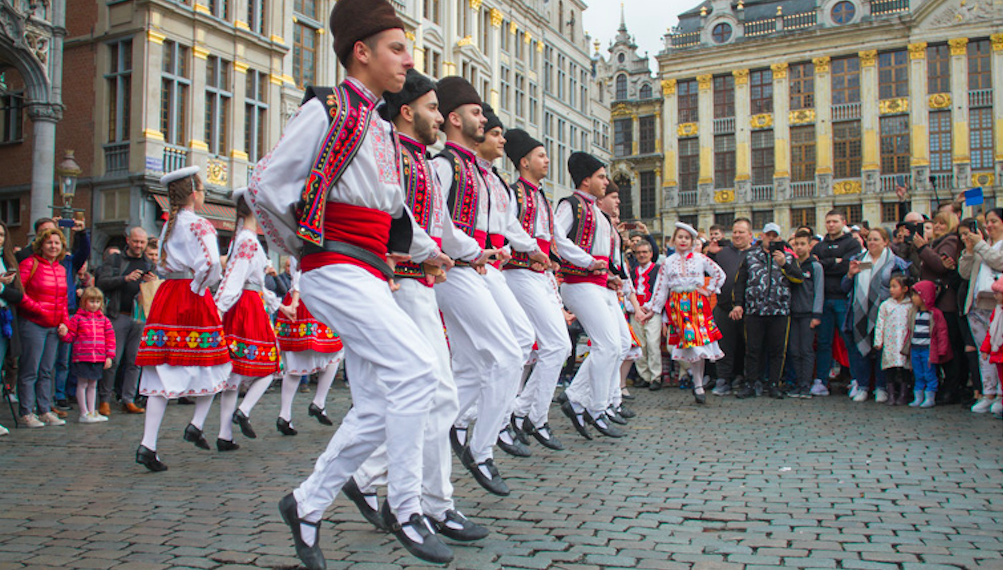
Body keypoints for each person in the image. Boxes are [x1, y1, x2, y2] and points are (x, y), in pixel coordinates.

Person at [248, 0, 455, 564]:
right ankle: (407, 508)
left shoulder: (381, 126)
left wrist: (431, 252)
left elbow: (391, 215)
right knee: (417, 371)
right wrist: (306, 243)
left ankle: (308, 503)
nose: (407, 60)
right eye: (397, 48)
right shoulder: (328, 108)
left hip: (368, 268)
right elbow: (265, 186)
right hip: (336, 267)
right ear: (360, 52)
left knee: (376, 404)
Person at [347, 69, 489, 542]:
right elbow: (399, 221)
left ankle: (376, 481)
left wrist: (475, 252)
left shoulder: (422, 162)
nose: (437, 117)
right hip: (402, 284)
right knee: (434, 393)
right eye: (432, 108)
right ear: (407, 112)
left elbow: (442, 227)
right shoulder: (396, 158)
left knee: (417, 393)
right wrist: (435, 252)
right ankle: (430, 503)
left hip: (418, 285)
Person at [431, 77, 525, 495]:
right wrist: (477, 250)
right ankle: (480, 448)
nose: (483, 119)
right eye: (475, 113)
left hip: (470, 267)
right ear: (454, 119)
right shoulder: (443, 165)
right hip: (454, 271)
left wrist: (488, 250)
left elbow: (489, 226)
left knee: (473, 365)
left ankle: (451, 425)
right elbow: (439, 223)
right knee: (507, 355)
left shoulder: (472, 169)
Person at [134, 166, 231, 472]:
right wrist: (200, 286)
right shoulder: (199, 225)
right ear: (194, 193)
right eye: (201, 191)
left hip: (168, 294)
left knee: (161, 370)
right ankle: (196, 424)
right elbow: (212, 264)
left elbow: (163, 264)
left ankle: (148, 444)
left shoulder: (169, 226)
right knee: (216, 363)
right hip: (191, 295)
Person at [472, 106, 545, 458]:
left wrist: (532, 249)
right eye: (495, 132)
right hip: (466, 268)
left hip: (489, 268)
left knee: (518, 341)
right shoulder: (452, 168)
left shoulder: (494, 181)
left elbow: (508, 225)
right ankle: (486, 423)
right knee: (494, 351)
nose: (502, 139)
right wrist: (477, 250)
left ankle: (494, 419)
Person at [502, 128, 572, 451]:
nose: (547, 160)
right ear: (524, 161)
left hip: (539, 275)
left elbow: (558, 238)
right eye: (541, 155)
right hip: (519, 272)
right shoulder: (514, 193)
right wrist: (532, 249)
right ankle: (530, 416)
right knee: (554, 344)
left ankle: (523, 412)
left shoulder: (542, 196)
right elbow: (507, 227)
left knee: (560, 346)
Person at [555, 152, 629, 437]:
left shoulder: (596, 212)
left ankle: (580, 401)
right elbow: (556, 237)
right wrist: (586, 261)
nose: (605, 181)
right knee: (609, 345)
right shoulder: (570, 205)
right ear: (585, 180)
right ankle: (596, 408)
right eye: (600, 176)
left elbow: (600, 255)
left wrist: (608, 274)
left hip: (596, 283)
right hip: (578, 282)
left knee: (613, 345)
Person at [213, 189, 284, 450]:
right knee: (270, 365)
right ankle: (243, 410)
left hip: (244, 303)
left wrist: (278, 304)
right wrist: (218, 308)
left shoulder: (243, 239)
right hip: (247, 306)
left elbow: (254, 281)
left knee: (233, 374)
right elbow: (237, 279)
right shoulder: (248, 241)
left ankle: (224, 435)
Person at [641, 222, 725, 404]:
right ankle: (696, 381)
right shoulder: (667, 262)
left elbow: (719, 274)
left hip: (697, 304)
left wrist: (709, 289)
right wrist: (653, 309)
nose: (683, 241)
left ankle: (698, 383)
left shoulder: (700, 258)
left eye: (687, 238)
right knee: (691, 344)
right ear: (674, 239)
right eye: (680, 237)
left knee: (699, 345)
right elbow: (661, 288)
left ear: (692, 241)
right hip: (679, 306)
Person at [273, 256, 344, 435]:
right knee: (336, 348)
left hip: (301, 298)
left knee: (296, 361)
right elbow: (300, 273)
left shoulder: (298, 239)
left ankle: (285, 414)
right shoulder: (313, 240)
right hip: (313, 298)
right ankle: (318, 402)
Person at [731, 223, 802, 400]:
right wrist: (738, 303)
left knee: (777, 350)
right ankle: (750, 383)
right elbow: (740, 282)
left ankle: (774, 384)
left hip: (779, 310)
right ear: (762, 236)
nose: (771, 239)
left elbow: (799, 278)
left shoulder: (788, 257)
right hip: (755, 310)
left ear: (779, 238)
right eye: (768, 235)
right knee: (753, 349)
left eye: (775, 236)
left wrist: (784, 264)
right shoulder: (750, 256)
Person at [843, 227, 911, 403]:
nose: (871, 243)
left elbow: (903, 286)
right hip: (860, 312)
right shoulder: (859, 260)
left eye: (876, 239)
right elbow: (845, 287)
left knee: (881, 351)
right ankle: (863, 386)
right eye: (869, 239)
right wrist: (850, 274)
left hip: (885, 314)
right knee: (860, 351)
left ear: (885, 242)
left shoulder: (895, 263)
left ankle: (881, 387)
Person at [96, 226, 154, 415]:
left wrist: (152, 282)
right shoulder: (115, 260)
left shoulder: (148, 263)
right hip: (117, 315)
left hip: (139, 317)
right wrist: (125, 279)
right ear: (127, 240)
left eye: (142, 242)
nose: (139, 245)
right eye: (136, 241)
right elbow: (101, 283)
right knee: (113, 360)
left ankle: (128, 399)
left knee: (134, 362)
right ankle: (104, 399)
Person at [17, 228, 70, 428]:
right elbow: (20, 294)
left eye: (57, 243)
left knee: (47, 370)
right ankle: (26, 411)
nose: (53, 246)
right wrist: (39, 310)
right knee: (30, 370)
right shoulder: (29, 264)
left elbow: (63, 299)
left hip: (54, 326)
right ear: (41, 245)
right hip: (33, 324)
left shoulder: (61, 269)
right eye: (49, 243)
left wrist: (65, 322)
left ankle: (45, 409)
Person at [912, 211, 964, 403]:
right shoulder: (937, 242)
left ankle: (952, 386)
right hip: (934, 299)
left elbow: (941, 266)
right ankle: (944, 384)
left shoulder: (950, 241)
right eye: (936, 223)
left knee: (949, 346)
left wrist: (923, 248)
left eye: (943, 223)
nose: (938, 226)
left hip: (945, 301)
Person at [812, 209, 863, 396]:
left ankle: (857, 379)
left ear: (843, 222)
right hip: (823, 299)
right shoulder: (820, 245)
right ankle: (821, 380)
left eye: (834, 221)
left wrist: (829, 263)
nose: (831, 225)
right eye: (828, 222)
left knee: (849, 341)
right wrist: (835, 262)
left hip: (844, 299)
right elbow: (815, 265)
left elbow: (848, 266)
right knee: (824, 342)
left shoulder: (852, 243)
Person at [959, 208, 1003, 414]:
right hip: (976, 305)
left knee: (999, 353)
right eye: (987, 222)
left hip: (996, 306)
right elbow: (965, 273)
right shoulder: (980, 245)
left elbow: (999, 262)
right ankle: (988, 392)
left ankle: (1001, 395)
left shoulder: (989, 246)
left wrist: (980, 245)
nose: (989, 225)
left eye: (994, 221)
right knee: (983, 353)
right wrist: (968, 251)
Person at [706, 218, 753, 396]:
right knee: (723, 345)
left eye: (741, 232)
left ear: (750, 235)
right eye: (734, 232)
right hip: (724, 307)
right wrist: (710, 255)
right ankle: (723, 378)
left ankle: (744, 378)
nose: (737, 235)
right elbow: (706, 271)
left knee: (747, 346)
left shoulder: (755, 253)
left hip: (748, 309)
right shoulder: (723, 253)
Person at [57, 287, 114, 423]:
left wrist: (109, 356)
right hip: (82, 356)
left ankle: (92, 410)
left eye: (97, 302)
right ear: (84, 302)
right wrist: (64, 334)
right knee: (82, 384)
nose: (94, 305)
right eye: (91, 301)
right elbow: (71, 336)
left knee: (93, 385)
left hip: (98, 357)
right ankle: (84, 412)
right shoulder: (77, 319)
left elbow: (110, 339)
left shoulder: (104, 321)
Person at [787, 229, 823, 398]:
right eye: (796, 244)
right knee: (794, 350)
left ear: (809, 246)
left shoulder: (815, 266)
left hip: (808, 313)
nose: (799, 248)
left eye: (803, 244)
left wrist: (817, 315)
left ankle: (806, 384)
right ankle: (797, 382)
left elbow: (819, 291)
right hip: (793, 313)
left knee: (806, 350)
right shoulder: (792, 265)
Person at [905, 280, 951, 408]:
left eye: (916, 295)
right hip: (915, 348)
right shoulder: (913, 313)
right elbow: (909, 330)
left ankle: (930, 396)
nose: (913, 298)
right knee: (918, 373)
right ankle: (918, 396)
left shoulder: (935, 314)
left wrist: (942, 349)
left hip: (928, 349)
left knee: (929, 373)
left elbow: (942, 332)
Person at [873, 275, 914, 406]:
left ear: (904, 289)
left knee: (904, 368)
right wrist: (878, 340)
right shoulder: (886, 305)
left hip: (903, 341)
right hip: (890, 341)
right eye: (890, 286)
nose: (891, 290)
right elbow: (880, 324)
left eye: (895, 286)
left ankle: (903, 394)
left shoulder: (910, 305)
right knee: (889, 368)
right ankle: (890, 393)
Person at [627, 240, 661, 391]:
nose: (642, 255)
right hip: (636, 311)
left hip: (652, 311)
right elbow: (629, 292)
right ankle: (644, 376)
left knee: (653, 344)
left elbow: (660, 291)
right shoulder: (632, 272)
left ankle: (656, 376)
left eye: (644, 252)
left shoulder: (658, 270)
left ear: (651, 254)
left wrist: (649, 308)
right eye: (639, 253)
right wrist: (635, 308)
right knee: (640, 344)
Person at [0, 220, 23, 436]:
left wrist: (2, 287)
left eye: (0, 235)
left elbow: (18, 295)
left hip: (4, 319)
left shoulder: (7, 260)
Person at [978, 277, 1003, 417]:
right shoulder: (997, 311)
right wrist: (985, 348)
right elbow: (991, 332)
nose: (995, 296)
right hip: (998, 351)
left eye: (997, 293)